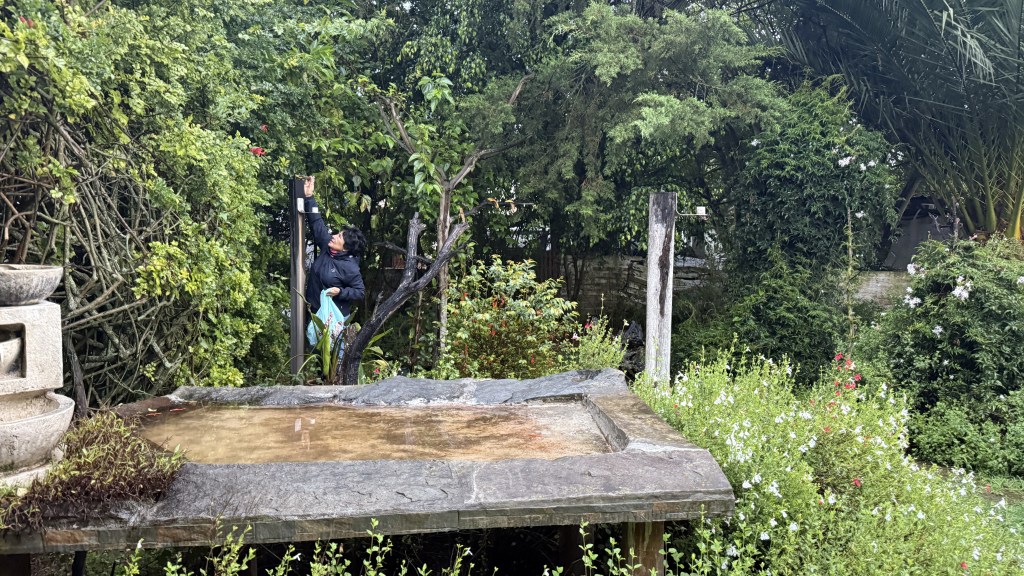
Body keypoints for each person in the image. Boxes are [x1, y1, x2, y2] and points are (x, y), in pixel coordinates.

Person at [302, 176, 366, 320]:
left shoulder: (350, 267)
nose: (335, 236)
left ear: (346, 248)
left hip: (334, 319)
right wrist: (309, 197)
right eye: (338, 233)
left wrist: (340, 292)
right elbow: (317, 224)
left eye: (340, 237)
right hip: (315, 313)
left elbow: (360, 292)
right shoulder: (327, 247)